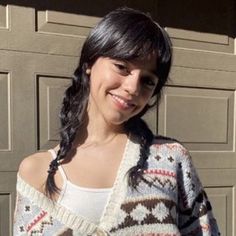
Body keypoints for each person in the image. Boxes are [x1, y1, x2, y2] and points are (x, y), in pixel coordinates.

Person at [13, 7, 220, 236]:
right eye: (122, 67)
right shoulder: (35, 172)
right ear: (89, 63)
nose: (133, 87)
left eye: (148, 81)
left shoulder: (171, 160)